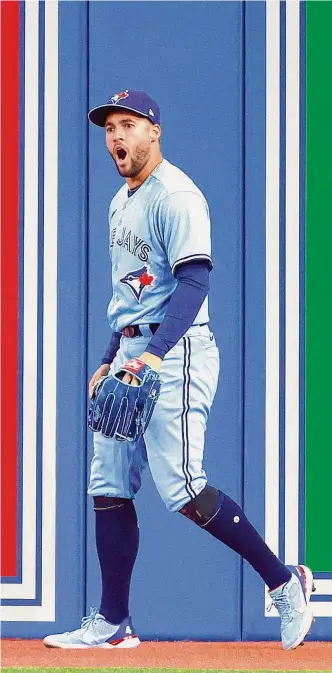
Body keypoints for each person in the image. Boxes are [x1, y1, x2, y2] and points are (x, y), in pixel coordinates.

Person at [44, 90, 314, 651]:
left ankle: (285, 583)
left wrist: (152, 356)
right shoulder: (122, 200)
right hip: (131, 353)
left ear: (154, 132)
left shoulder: (178, 196)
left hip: (177, 350)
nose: (116, 137)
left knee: (183, 488)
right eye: (109, 127)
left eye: (128, 125)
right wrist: (107, 359)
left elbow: (194, 283)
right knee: (108, 482)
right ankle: (113, 622)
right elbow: (128, 297)